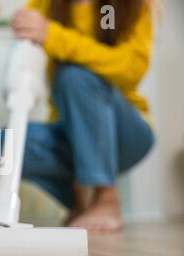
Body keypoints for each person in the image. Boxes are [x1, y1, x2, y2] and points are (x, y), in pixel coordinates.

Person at [11, 0, 156, 232]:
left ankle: (106, 195)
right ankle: (81, 201)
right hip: (71, 132)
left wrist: (52, 35)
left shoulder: (133, 5)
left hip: (126, 134)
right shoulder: (45, 4)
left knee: (74, 75)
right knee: (6, 144)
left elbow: (131, 69)